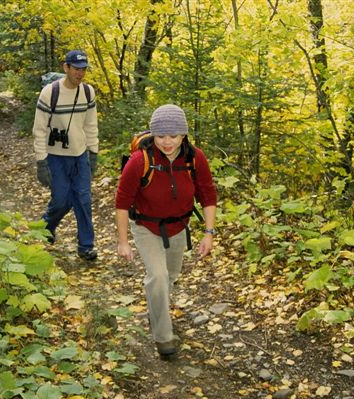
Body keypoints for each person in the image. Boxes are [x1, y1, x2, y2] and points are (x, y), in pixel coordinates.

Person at [115, 104, 217, 358]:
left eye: (173, 136)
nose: (167, 142)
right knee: (158, 277)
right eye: (161, 136)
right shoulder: (140, 160)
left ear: (183, 134)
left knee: (170, 276)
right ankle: (163, 337)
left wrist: (208, 232)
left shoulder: (195, 157)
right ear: (153, 134)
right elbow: (122, 201)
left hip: (178, 227)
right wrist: (123, 241)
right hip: (147, 227)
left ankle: (155, 308)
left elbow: (208, 194)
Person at [33, 49, 99, 260]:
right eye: (76, 69)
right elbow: (39, 129)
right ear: (66, 68)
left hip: (80, 155)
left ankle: (86, 246)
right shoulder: (49, 93)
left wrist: (94, 152)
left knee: (83, 199)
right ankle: (47, 226)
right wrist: (41, 162)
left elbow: (91, 125)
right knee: (61, 199)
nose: (80, 74)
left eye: (84, 70)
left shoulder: (88, 93)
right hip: (55, 156)